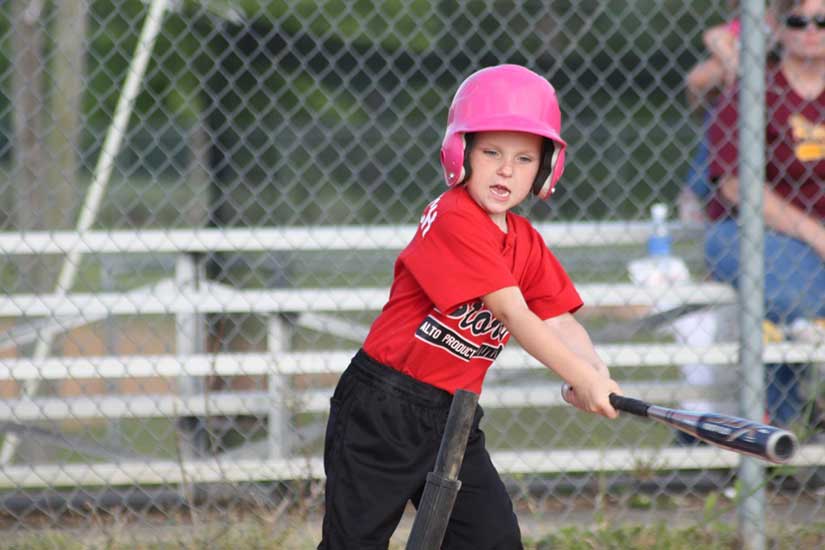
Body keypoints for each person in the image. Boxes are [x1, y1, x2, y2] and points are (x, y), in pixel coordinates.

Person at [317, 64, 623, 549]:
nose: (506, 169)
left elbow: (557, 318)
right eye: (492, 152)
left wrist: (593, 373)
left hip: (455, 417)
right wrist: (581, 378)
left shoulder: (526, 241)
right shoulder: (453, 218)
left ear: (545, 169)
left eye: (525, 159)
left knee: (492, 540)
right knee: (355, 542)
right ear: (462, 152)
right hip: (384, 407)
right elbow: (513, 314)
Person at [705, 0, 825, 430]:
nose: (811, 30)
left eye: (822, 21)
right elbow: (735, 183)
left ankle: (771, 433)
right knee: (774, 276)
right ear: (780, 26)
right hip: (755, 234)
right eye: (799, 20)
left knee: (779, 310)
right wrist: (814, 233)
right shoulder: (755, 90)